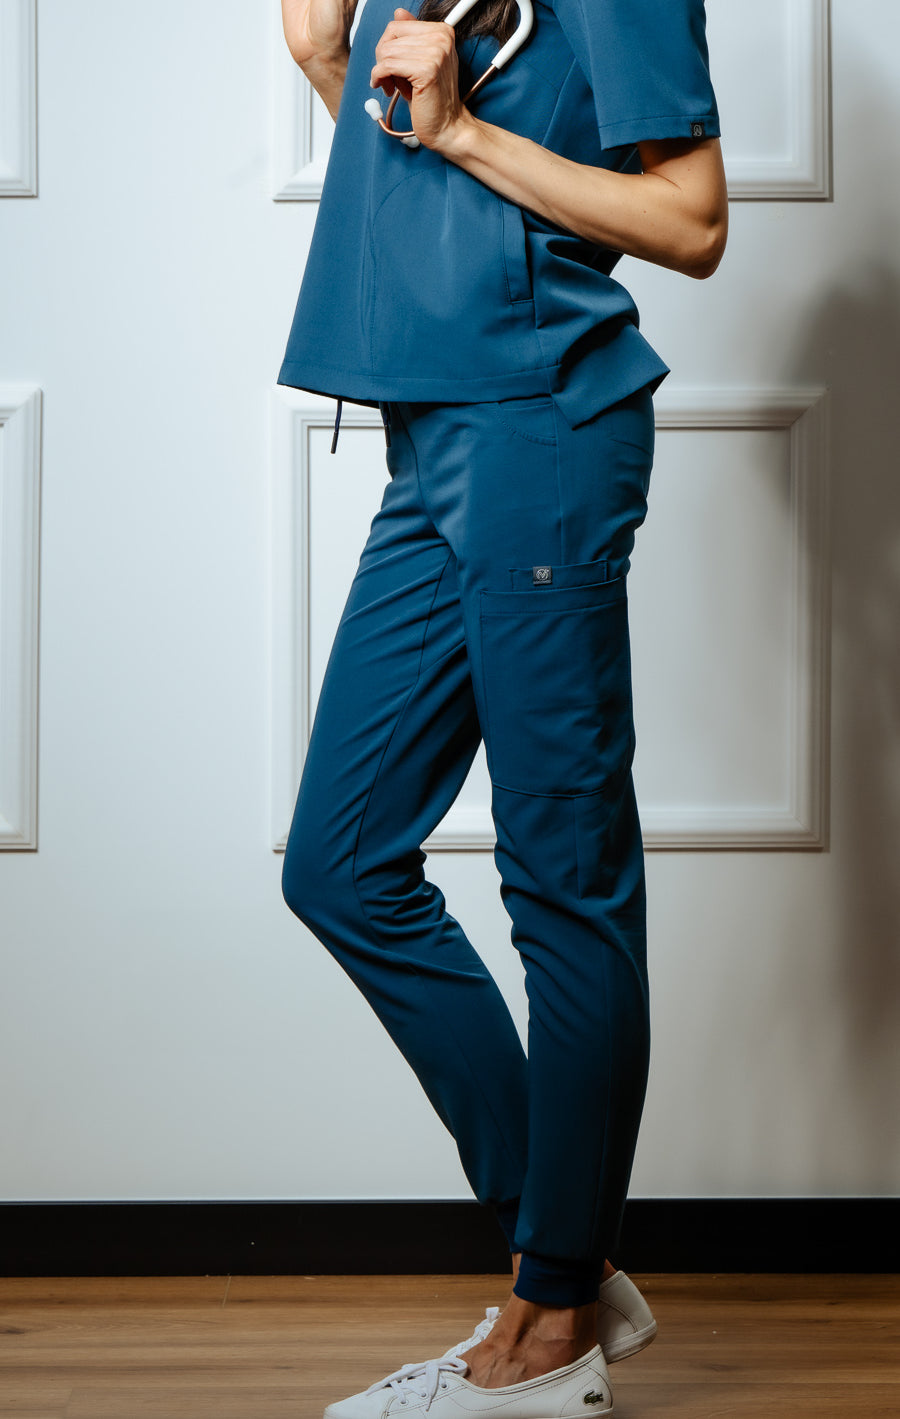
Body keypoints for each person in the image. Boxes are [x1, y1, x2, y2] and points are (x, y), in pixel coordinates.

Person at [277, 0, 728, 1414]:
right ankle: (567, 1251)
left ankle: (548, 1329)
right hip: (431, 441)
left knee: (560, 881)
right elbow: (431, 196)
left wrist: (466, 128)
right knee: (339, 865)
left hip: (542, 428)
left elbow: (693, 222)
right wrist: (328, 65)